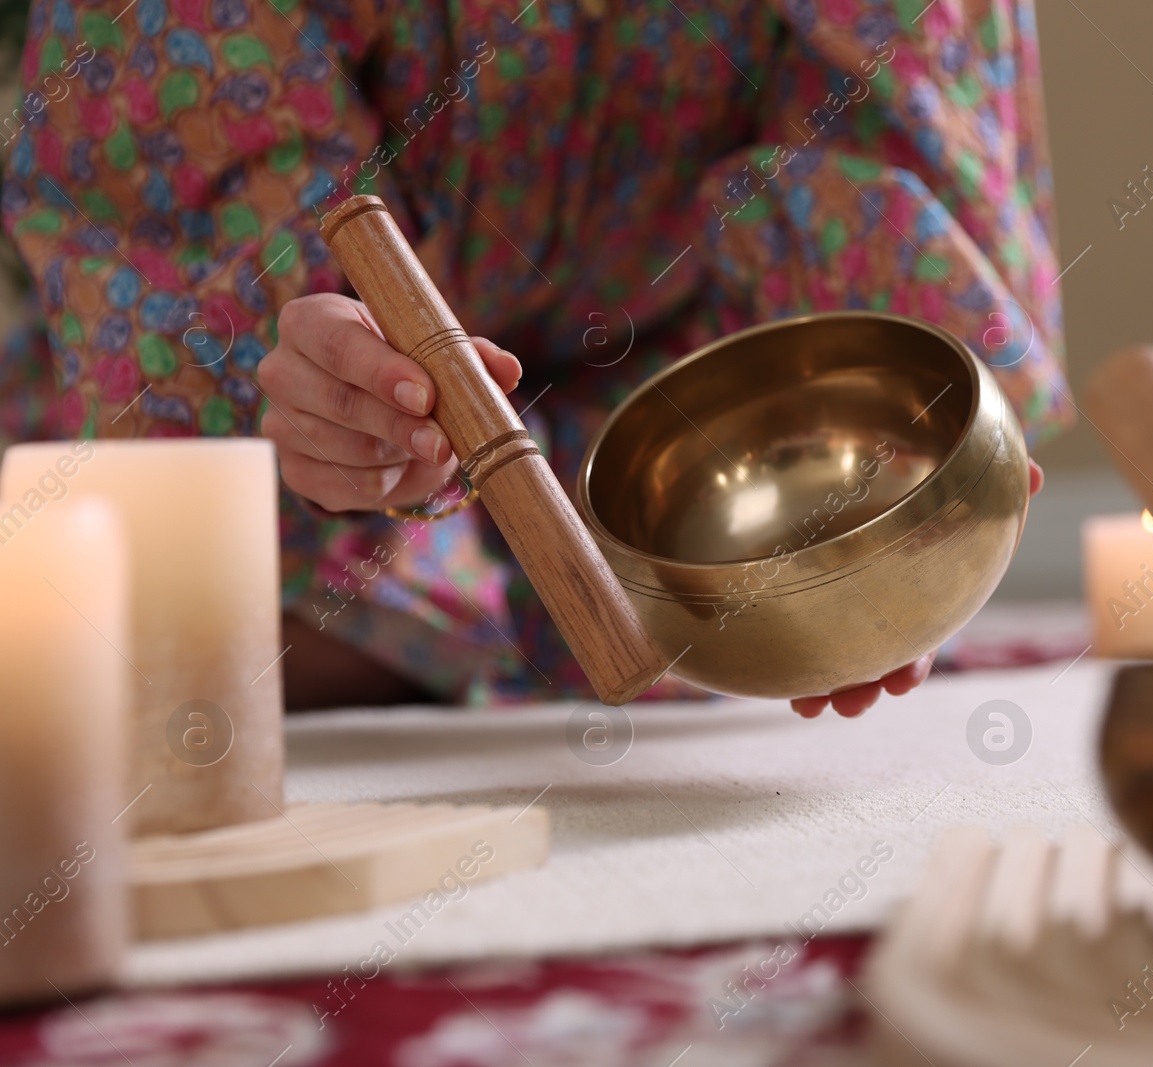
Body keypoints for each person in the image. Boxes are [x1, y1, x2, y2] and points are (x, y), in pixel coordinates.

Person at [1, 0, 1068, 715]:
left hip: (654, 437)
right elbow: (232, 285)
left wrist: (891, 518)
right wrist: (336, 390)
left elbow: (885, 201)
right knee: (226, 663)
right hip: (283, 490)